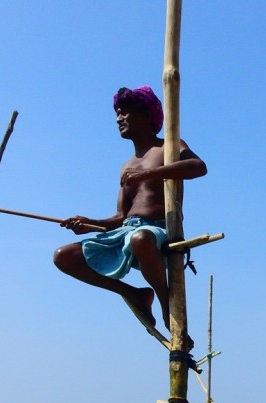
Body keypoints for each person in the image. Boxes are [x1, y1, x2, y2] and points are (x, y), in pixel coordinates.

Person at [53, 85, 207, 336]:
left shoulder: (168, 147)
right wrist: (88, 223)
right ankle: (133, 293)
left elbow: (198, 167)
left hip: (157, 231)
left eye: (125, 112)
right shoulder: (127, 165)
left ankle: (166, 303)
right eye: (117, 114)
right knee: (63, 256)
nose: (119, 119)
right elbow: (120, 218)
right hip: (127, 232)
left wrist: (148, 174)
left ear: (146, 115)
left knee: (141, 237)